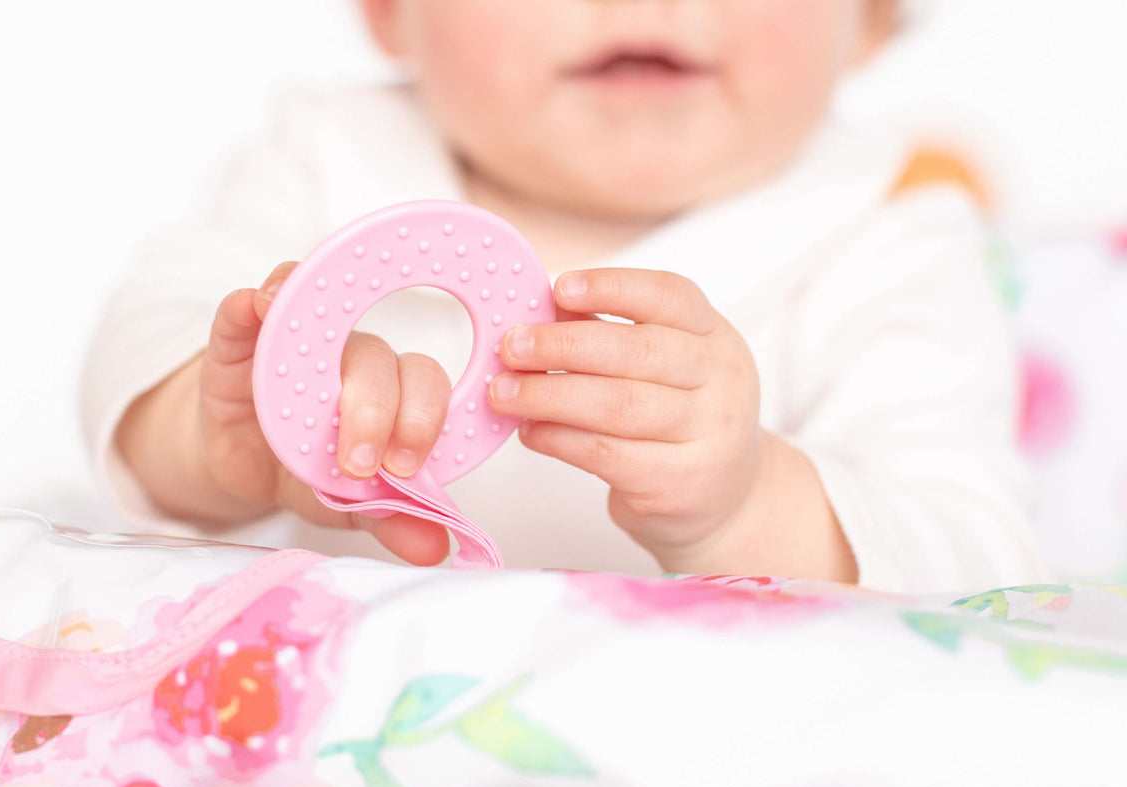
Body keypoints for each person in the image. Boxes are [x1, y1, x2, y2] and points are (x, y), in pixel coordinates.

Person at [83, 0, 1047, 592]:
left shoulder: (886, 235)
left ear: (872, 12)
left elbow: (976, 569)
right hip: (351, 768)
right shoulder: (326, 159)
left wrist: (749, 503)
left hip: (702, 785)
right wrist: (216, 436)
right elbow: (142, 343)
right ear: (388, 7)